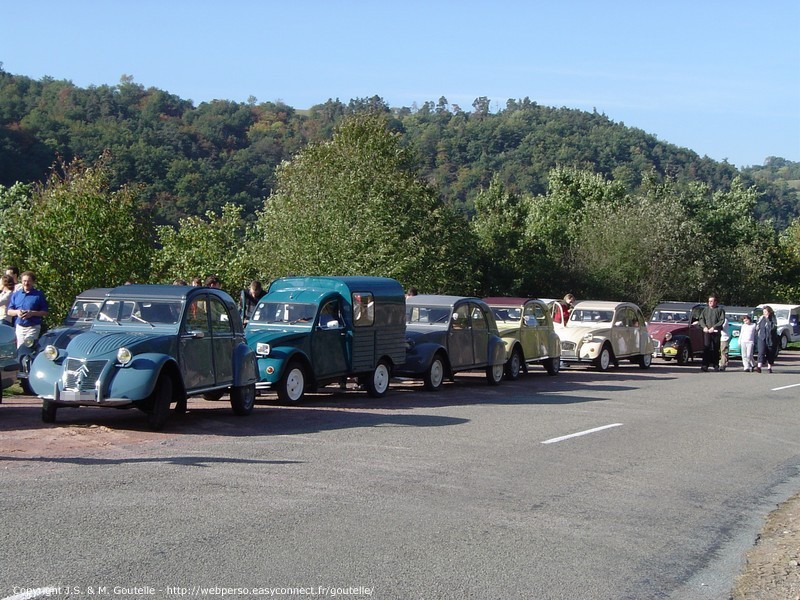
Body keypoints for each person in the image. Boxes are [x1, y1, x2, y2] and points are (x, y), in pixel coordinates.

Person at [7, 271, 49, 348]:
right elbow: (9, 311)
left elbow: (45, 312)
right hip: (20, 327)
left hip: (33, 327)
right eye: (24, 281)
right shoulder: (16, 294)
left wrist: (32, 313)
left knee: (29, 348)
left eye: (28, 281)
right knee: (20, 349)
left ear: (33, 282)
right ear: (21, 281)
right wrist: (17, 312)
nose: (26, 283)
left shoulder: (38, 295)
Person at [698, 295, 725, 372]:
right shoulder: (705, 310)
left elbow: (721, 320)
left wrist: (714, 327)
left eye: (712, 301)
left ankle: (716, 365)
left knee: (715, 348)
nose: (710, 303)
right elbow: (701, 319)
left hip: (715, 332)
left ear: (715, 302)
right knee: (706, 348)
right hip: (707, 332)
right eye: (709, 301)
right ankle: (704, 365)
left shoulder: (720, 310)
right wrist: (704, 327)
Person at [755, 305, 779, 373]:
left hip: (771, 338)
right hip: (762, 337)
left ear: (769, 312)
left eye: (765, 311)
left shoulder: (773, 318)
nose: (764, 313)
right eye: (763, 311)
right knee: (761, 352)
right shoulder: (761, 318)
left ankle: (769, 367)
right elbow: (757, 327)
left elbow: (773, 328)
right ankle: (759, 366)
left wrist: (768, 319)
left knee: (770, 353)